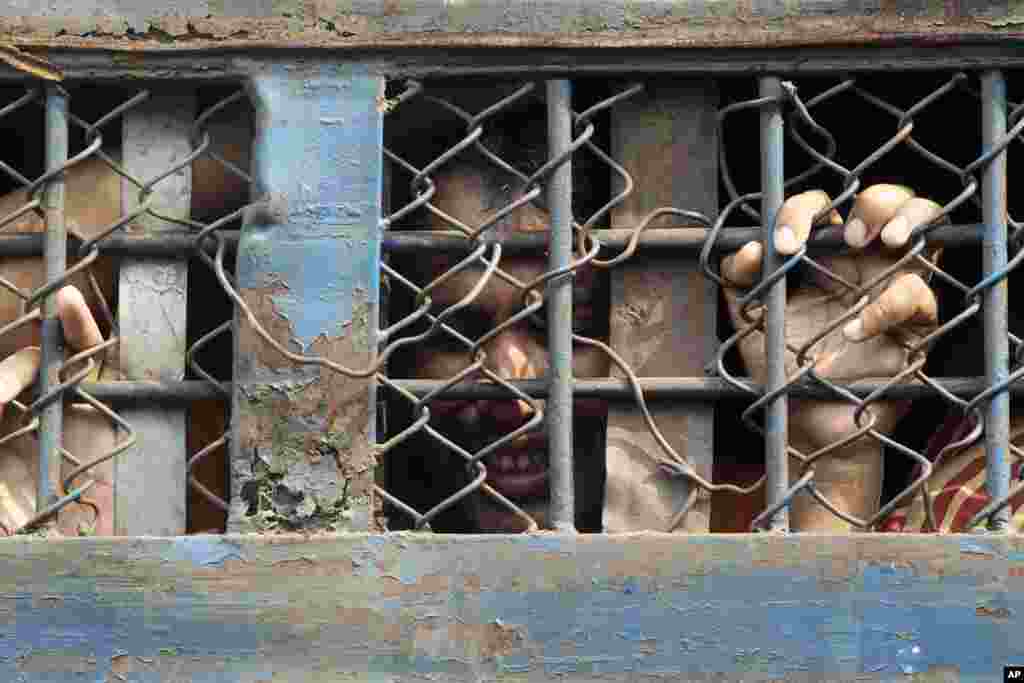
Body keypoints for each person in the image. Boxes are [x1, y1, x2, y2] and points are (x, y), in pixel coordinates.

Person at [391, 154, 964, 533]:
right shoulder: (373, 523)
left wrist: (837, 463)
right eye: (456, 333)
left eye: (565, 327)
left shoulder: (745, 525)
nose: (513, 389)